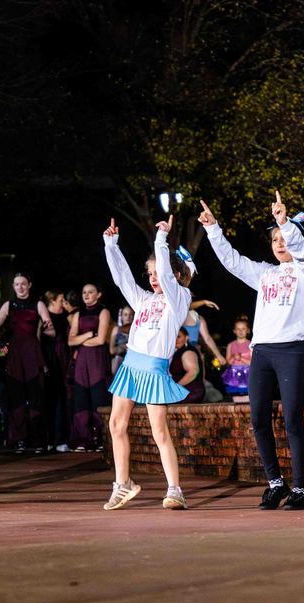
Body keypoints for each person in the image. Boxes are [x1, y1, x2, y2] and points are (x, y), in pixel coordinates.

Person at [200, 193, 304, 510]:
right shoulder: (265, 273)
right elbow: (232, 261)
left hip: (292, 349)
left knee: (292, 420)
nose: (280, 244)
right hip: (263, 351)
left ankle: (300, 489)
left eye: (285, 238)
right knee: (258, 419)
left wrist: (284, 222)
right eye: (275, 239)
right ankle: (275, 483)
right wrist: (213, 229)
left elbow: (301, 249)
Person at [103, 216, 193, 510]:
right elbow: (123, 279)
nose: (154, 278)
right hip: (130, 366)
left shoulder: (179, 298)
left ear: (176, 274)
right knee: (116, 425)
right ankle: (123, 484)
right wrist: (111, 245)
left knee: (159, 431)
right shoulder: (143, 300)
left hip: (154, 369)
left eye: (158, 272)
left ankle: (175, 490)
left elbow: (167, 276)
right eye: (150, 273)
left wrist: (161, 240)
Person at [0, 273, 52, 452]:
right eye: (17, 284)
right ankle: (19, 440)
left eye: (23, 284)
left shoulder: (38, 304)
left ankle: (38, 441)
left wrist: (47, 327)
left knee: (36, 398)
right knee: (16, 399)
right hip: (15, 355)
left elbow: (49, 328)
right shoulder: (8, 305)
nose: (20, 287)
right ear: (13, 286)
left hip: (32, 353)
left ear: (29, 285)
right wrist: (1, 342)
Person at [68, 283, 112, 451]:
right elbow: (70, 341)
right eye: (84, 292)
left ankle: (100, 439)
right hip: (82, 360)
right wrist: (88, 334)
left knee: (98, 397)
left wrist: (80, 340)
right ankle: (83, 440)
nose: (86, 295)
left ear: (98, 294)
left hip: (97, 359)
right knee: (81, 398)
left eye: (90, 292)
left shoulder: (104, 311)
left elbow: (100, 340)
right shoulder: (78, 314)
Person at [42, 290, 72, 452]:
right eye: (61, 299)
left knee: (62, 401)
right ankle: (48, 439)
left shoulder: (66, 317)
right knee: (48, 401)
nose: (63, 302)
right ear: (52, 300)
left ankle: (61, 439)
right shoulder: (44, 318)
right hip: (48, 361)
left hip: (63, 362)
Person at [221, 316, 252, 401]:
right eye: (238, 329)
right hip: (234, 375)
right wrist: (233, 357)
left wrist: (241, 358)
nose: (241, 331)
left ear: (248, 330)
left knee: (247, 397)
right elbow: (228, 362)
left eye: (243, 329)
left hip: (247, 374)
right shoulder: (230, 345)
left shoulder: (251, 344)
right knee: (236, 397)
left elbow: (252, 363)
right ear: (234, 331)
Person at [170, 327, 205, 403]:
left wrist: (176, 388)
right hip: (184, 392)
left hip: (189, 392)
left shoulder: (188, 351)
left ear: (186, 338)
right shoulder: (178, 351)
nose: (175, 340)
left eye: (178, 337)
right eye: (173, 337)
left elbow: (193, 372)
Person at [109, 305, 134, 375]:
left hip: (132, 362)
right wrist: (122, 347)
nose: (128, 317)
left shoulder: (136, 330)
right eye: (125, 314)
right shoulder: (116, 329)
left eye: (130, 315)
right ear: (121, 316)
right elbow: (111, 350)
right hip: (118, 361)